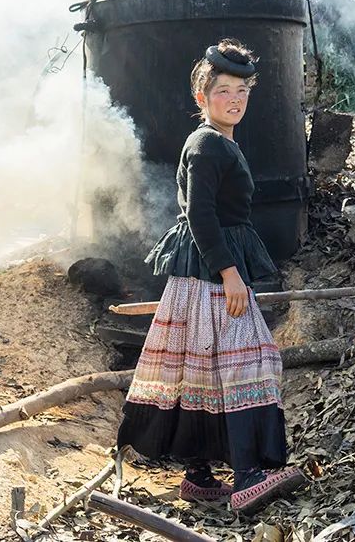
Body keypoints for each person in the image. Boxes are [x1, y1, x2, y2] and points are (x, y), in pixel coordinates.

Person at [116, 40, 304, 514]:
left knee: (205, 370)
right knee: (251, 362)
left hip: (204, 273)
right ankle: (248, 477)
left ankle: (199, 477)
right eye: (223, 90)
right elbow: (199, 215)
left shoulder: (221, 142)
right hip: (210, 273)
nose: (235, 99)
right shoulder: (205, 143)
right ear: (202, 98)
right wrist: (230, 274)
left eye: (242, 90)